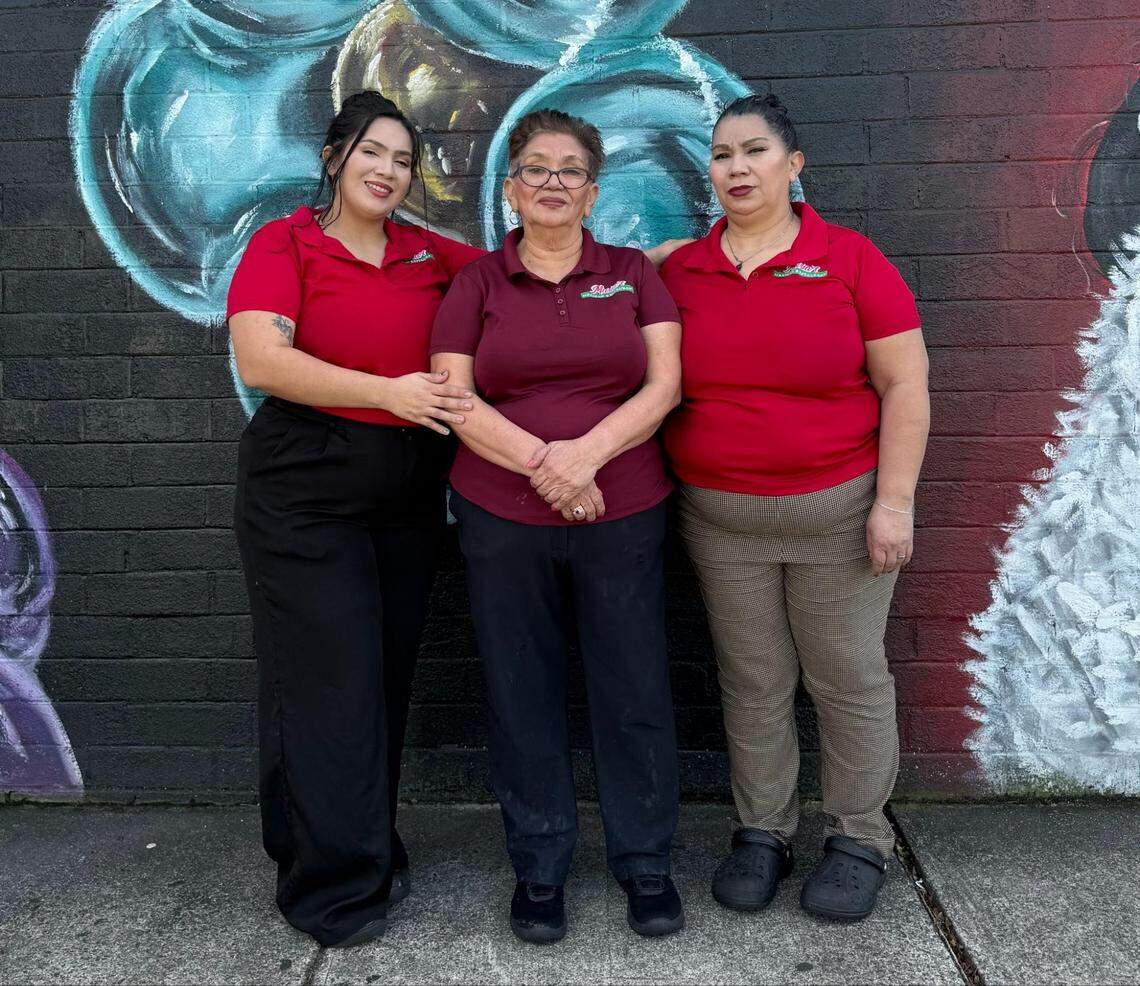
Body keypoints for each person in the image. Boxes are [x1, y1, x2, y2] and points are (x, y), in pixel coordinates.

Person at [658, 93, 930, 921]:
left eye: (755, 151)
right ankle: (763, 832)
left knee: (845, 678)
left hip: (837, 515)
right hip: (720, 521)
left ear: (793, 163)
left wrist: (894, 502)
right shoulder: (679, 268)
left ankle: (858, 836)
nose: (736, 169)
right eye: (721, 155)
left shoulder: (849, 259)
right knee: (753, 682)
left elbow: (905, 386)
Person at [227, 91, 484, 947]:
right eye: (373, 151)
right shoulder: (286, 243)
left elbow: (524, 267)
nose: (389, 170)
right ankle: (330, 890)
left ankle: (347, 841)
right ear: (335, 156)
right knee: (327, 684)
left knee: (378, 680)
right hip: (305, 490)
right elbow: (263, 358)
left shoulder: (424, 252)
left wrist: (653, 260)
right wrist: (390, 393)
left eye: (404, 160)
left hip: (406, 496)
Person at [430, 109, 685, 944]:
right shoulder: (476, 285)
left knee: (634, 688)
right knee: (520, 691)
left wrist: (588, 459)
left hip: (624, 511)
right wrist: (550, 466)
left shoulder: (631, 275)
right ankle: (540, 867)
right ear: (509, 188)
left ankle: (645, 862)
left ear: (592, 191)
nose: (551, 183)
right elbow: (454, 398)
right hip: (502, 517)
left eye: (569, 170)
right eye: (534, 168)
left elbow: (663, 388)